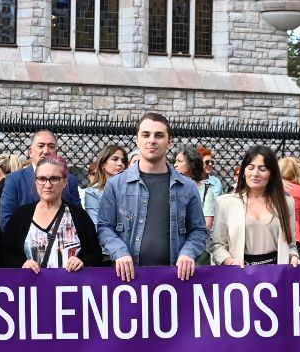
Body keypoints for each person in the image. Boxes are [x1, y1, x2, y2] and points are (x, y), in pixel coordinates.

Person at [96, 112, 207, 282]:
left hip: (175, 279)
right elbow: (104, 227)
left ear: (170, 142)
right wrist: (120, 252)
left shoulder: (187, 186)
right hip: (128, 279)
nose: (152, 140)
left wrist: (188, 253)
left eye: (159, 135)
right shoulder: (116, 185)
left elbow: (198, 230)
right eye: (146, 134)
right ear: (137, 140)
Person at [0, 155, 101, 271]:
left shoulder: (79, 216)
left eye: (54, 178)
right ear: (36, 182)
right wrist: (21, 264)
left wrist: (83, 261)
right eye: (42, 179)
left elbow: (96, 254)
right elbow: (4, 254)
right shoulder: (21, 215)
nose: (47, 185)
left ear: (64, 182)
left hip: (69, 286)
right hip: (31, 287)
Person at [210, 146, 300, 268]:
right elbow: (218, 246)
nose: (255, 174)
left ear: (272, 174)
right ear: (244, 172)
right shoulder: (225, 203)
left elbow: (290, 245)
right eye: (250, 168)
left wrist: (293, 257)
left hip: (277, 274)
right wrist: (230, 261)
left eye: (262, 169)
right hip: (240, 274)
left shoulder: (286, 202)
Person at [0, 130, 80, 230]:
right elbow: (6, 221)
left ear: (56, 152)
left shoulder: (70, 180)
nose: (46, 151)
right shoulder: (15, 180)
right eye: (41, 146)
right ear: (31, 152)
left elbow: (77, 218)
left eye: (51, 146)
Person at [173, 148, 217, 262]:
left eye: (179, 161)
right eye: (175, 161)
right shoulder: (172, 188)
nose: (175, 165)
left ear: (191, 164)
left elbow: (207, 223)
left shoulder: (207, 190)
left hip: (198, 249)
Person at [82, 143, 128, 218]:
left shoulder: (132, 188)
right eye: (115, 159)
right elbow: (95, 223)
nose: (120, 164)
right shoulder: (93, 192)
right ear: (103, 164)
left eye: (123, 161)